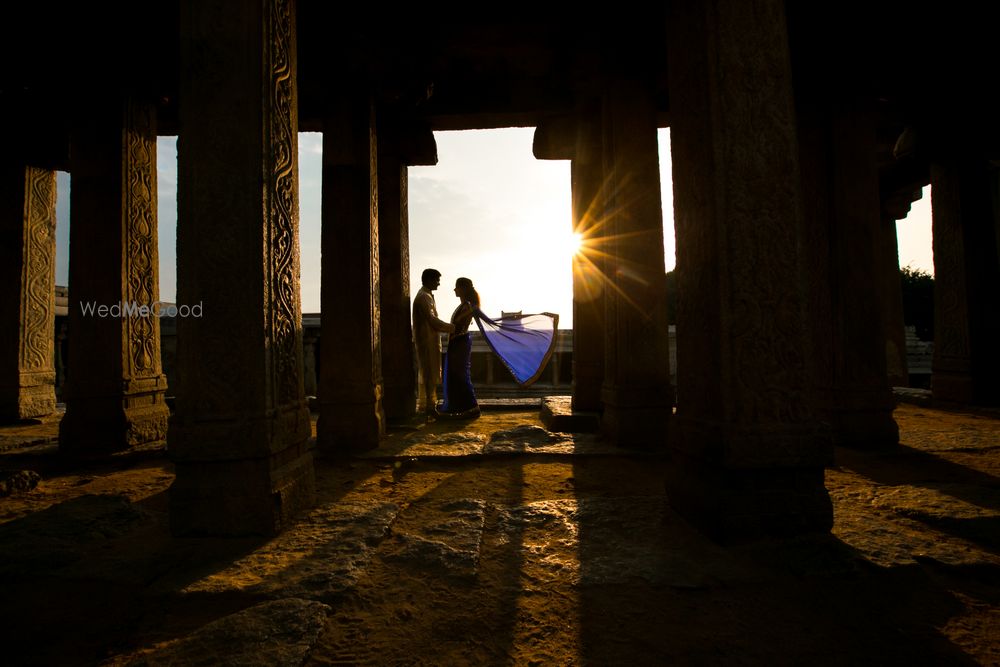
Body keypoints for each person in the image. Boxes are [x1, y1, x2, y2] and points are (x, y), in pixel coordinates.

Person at [412, 268, 454, 418]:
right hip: (426, 340)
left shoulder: (427, 295)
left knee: (431, 371)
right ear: (429, 280)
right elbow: (432, 320)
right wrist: (452, 328)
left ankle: (430, 406)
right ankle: (430, 407)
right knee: (429, 372)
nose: (439, 283)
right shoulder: (423, 297)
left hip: (430, 339)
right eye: (437, 280)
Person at [439, 277, 481, 419]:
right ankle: (459, 406)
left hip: (460, 342)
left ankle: (471, 407)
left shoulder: (468, 306)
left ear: (463, 289)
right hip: (457, 342)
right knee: (455, 375)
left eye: (456, 287)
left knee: (460, 375)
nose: (454, 289)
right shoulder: (464, 305)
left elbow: (457, 326)